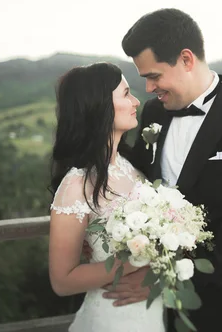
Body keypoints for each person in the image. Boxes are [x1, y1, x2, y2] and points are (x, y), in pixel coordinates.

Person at [101, 8, 222, 332]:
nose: (148, 88)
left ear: (186, 59)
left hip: (219, 306)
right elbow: (138, 179)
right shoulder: (154, 112)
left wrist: (161, 276)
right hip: (148, 311)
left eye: (153, 76)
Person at [48, 62, 166, 331]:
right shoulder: (76, 185)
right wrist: (132, 262)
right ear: (100, 107)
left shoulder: (132, 168)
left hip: (149, 312)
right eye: (126, 94)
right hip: (112, 317)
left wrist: (155, 270)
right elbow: (62, 281)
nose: (136, 101)